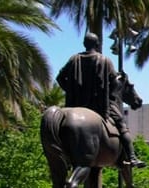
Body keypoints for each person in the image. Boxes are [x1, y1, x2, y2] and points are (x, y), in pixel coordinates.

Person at [56, 32, 143, 168]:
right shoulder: (105, 60)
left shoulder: (74, 59)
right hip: (98, 105)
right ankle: (132, 157)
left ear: (84, 44)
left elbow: (60, 78)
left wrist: (73, 91)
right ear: (97, 44)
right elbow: (114, 83)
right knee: (122, 126)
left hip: (74, 104)